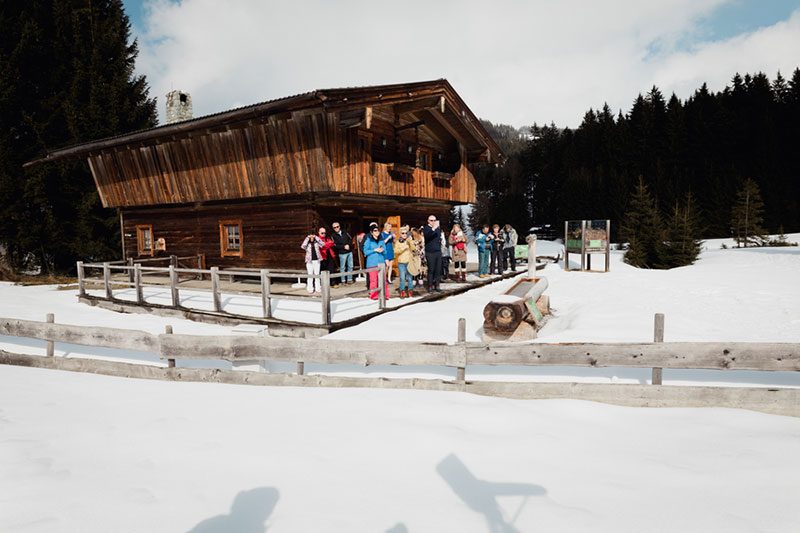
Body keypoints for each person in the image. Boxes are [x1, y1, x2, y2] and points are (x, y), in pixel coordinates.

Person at [362, 225, 390, 300]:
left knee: (383, 280)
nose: (377, 232)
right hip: (372, 263)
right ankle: (374, 295)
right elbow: (365, 252)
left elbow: (385, 251)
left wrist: (384, 254)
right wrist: (374, 250)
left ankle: (385, 295)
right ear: (371, 232)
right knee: (374, 280)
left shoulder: (381, 240)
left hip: (381, 263)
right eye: (375, 230)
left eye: (377, 230)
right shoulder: (368, 240)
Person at [393, 225, 416, 298]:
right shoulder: (398, 242)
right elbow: (396, 251)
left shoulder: (409, 241)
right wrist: (403, 248)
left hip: (409, 262)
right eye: (402, 233)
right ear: (400, 234)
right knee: (402, 278)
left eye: (406, 233)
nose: (404, 234)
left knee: (410, 278)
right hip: (401, 263)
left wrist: (410, 242)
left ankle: (410, 291)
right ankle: (402, 291)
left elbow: (414, 249)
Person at [422, 215, 443, 292]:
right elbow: (427, 236)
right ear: (428, 221)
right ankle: (430, 286)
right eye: (431, 220)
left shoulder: (437, 229)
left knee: (438, 270)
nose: (433, 222)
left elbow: (438, 238)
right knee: (431, 269)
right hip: (430, 252)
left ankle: (437, 285)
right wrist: (433, 229)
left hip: (438, 251)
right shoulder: (426, 228)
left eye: (434, 220)